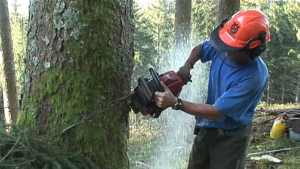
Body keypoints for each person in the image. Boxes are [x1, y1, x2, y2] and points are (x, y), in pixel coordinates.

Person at [154, 9, 270, 169]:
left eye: (232, 49)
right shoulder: (226, 43)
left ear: (254, 49)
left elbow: (215, 112)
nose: (225, 50)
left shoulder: (254, 76)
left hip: (230, 136)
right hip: (207, 127)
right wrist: (187, 65)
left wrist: (176, 103)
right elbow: (201, 48)